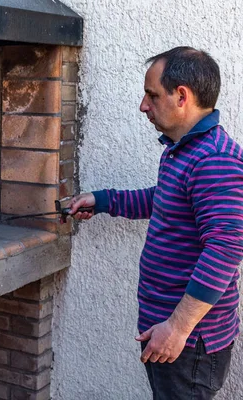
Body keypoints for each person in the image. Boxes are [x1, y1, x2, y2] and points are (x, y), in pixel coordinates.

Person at [68, 47, 243, 399]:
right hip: (169, 331)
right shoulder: (185, 150)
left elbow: (226, 249)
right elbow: (164, 199)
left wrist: (177, 329)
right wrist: (103, 201)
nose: (143, 106)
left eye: (151, 95)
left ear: (182, 96)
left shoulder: (215, 160)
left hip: (188, 342)